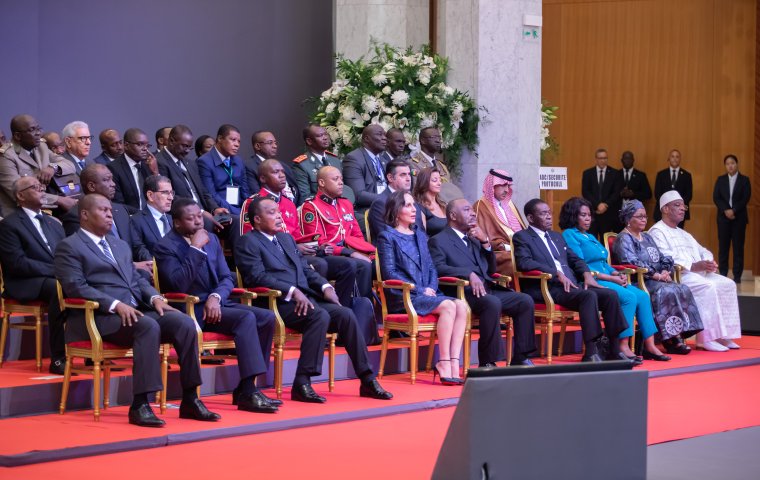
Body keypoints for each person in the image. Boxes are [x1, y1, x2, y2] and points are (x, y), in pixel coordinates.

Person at [54, 194, 220, 427]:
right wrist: (115, 304)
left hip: (136, 311)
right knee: (147, 326)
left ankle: (191, 399)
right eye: (103, 210)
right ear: (84, 215)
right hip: (101, 317)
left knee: (183, 322)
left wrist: (155, 298)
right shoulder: (69, 246)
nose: (110, 215)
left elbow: (136, 280)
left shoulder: (119, 245)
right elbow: (76, 286)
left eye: (110, 210)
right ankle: (141, 404)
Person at [235, 196, 393, 402]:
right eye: (272, 213)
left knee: (345, 314)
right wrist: (292, 291)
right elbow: (256, 277)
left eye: (279, 212)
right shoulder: (247, 241)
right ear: (257, 219)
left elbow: (306, 270)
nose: (279, 216)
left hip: (306, 298)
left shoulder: (285, 239)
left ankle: (367, 379)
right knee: (319, 316)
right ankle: (302, 382)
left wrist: (325, 286)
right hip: (278, 302)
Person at [154, 198, 280, 414]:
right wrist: (195, 248)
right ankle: (248, 392)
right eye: (191, 219)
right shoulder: (165, 246)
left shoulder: (211, 239)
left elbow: (226, 277)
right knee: (246, 318)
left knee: (266, 317)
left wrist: (216, 297)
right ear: (177, 223)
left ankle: (246, 387)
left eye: (199, 216)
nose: (198, 222)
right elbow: (177, 284)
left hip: (216, 304)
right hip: (191, 309)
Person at [513, 199, 630, 363]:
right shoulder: (522, 237)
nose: (549, 217)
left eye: (549, 213)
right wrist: (555, 273)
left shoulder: (556, 237)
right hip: (548, 287)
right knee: (588, 296)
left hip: (571, 286)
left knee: (610, 295)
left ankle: (614, 349)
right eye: (543, 214)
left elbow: (575, 260)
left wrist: (587, 274)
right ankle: (591, 351)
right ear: (531, 218)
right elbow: (524, 262)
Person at [429, 198, 537, 367]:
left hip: (486, 289)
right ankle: (488, 361)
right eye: (467, 210)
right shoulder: (439, 240)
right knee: (491, 303)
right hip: (462, 292)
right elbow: (438, 268)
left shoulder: (474, 238)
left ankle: (521, 356)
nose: (473, 213)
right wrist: (468, 274)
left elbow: (491, 270)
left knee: (524, 300)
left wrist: (485, 242)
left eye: (472, 210)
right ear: (453, 216)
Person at [560, 197, 669, 361]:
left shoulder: (589, 236)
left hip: (607, 277)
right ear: (573, 216)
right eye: (583, 215)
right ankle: (621, 345)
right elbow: (579, 264)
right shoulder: (570, 234)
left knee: (642, 296)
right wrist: (611, 279)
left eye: (589, 215)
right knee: (628, 297)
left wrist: (616, 274)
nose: (588, 218)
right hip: (592, 279)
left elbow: (604, 263)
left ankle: (650, 345)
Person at [377, 191, 469, 383]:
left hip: (426, 293)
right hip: (404, 296)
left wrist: (431, 288)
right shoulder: (387, 236)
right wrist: (419, 289)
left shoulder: (419, 235)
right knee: (449, 306)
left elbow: (431, 267)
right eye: (408, 205)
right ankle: (443, 361)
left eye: (414, 205)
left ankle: (454, 362)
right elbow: (389, 273)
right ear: (396, 210)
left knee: (462, 306)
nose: (414, 210)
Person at [649, 190, 742, 352]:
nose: (683, 208)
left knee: (727, 284)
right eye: (677, 205)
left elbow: (702, 250)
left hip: (697, 273)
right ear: (665, 209)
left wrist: (708, 262)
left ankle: (722, 335)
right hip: (678, 276)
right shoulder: (657, 231)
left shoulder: (683, 233)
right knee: (707, 286)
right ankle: (705, 339)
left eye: (683, 206)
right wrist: (693, 266)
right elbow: (665, 258)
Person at [611, 200, 704, 355]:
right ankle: (669, 339)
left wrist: (666, 270)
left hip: (657, 278)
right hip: (639, 280)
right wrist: (656, 275)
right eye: (639, 216)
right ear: (628, 219)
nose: (644, 219)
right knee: (665, 291)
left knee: (682, 288)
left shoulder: (647, 237)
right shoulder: (624, 238)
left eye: (645, 216)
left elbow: (662, 257)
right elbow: (631, 262)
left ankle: (676, 334)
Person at [0, 177, 67, 374]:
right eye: (35, 187)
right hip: (25, 281)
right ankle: (58, 359)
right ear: (20, 196)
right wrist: (55, 271)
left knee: (88, 284)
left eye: (41, 186)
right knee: (58, 288)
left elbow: (67, 254)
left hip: (55, 277)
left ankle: (90, 355)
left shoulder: (54, 223)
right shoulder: (9, 225)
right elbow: (17, 263)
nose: (41, 189)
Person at [62, 164, 153, 279]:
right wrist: (133, 266)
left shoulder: (120, 210)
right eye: (107, 180)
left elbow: (137, 246)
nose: (113, 184)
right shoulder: (76, 216)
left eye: (112, 179)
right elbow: (92, 258)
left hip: (132, 274)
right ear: (91, 186)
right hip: (104, 277)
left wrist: (150, 263)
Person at [299, 166, 374, 305]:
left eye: (341, 179)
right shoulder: (312, 206)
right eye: (335, 179)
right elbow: (319, 243)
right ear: (321, 183)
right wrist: (349, 253)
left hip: (349, 253)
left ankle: (365, 308)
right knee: (361, 265)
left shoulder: (346, 203)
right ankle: (349, 307)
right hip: (327, 255)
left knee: (376, 263)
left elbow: (357, 235)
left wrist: (362, 251)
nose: (341, 182)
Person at [253, 159, 330, 281]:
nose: (282, 175)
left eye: (283, 172)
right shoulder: (254, 203)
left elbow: (297, 235)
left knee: (338, 263)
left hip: (294, 254)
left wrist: (311, 246)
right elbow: (252, 241)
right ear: (263, 178)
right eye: (276, 172)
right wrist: (293, 248)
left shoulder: (289, 203)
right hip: (271, 258)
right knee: (319, 264)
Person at [0, 114, 78, 217]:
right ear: (18, 136)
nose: (38, 133)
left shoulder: (41, 146)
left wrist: (53, 168)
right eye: (32, 130)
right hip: (19, 215)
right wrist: (59, 200)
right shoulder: (6, 156)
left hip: (44, 210)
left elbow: (70, 165)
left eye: (38, 129)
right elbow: (20, 194)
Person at [156, 125, 229, 231]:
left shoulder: (190, 163)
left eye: (189, 147)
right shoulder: (159, 162)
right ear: (171, 141)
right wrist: (200, 212)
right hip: (185, 214)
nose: (187, 151)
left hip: (204, 211)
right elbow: (169, 196)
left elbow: (203, 191)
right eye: (184, 146)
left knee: (234, 221)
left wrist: (215, 208)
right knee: (208, 224)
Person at [472, 169, 525, 276]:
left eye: (508, 186)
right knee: (518, 261)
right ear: (492, 186)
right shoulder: (480, 206)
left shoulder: (510, 205)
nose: (506, 190)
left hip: (517, 250)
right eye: (503, 185)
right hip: (498, 255)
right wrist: (506, 246)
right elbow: (478, 238)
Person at [712, 154, 751, 283]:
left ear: (737, 164)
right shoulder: (720, 180)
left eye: (732, 163)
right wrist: (726, 210)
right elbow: (716, 197)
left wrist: (733, 210)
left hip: (739, 218)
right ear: (725, 166)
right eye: (728, 164)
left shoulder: (744, 180)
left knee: (738, 248)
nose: (730, 166)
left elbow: (745, 198)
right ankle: (723, 273)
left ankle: (737, 276)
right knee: (723, 247)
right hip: (723, 219)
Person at [367, 158, 425, 243]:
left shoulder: (411, 201)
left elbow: (421, 232)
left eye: (409, 174)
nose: (408, 179)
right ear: (390, 178)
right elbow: (387, 238)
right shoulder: (380, 203)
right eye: (403, 175)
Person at [197, 124, 250, 215]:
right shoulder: (204, 162)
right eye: (233, 139)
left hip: (241, 209)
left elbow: (245, 190)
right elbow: (211, 195)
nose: (237, 144)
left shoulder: (239, 161)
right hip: (221, 210)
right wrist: (239, 213)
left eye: (239, 141)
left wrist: (249, 208)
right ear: (220, 139)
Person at [292, 124, 347, 203]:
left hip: (339, 205)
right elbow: (305, 197)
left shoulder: (335, 160)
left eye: (325, 134)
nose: (325, 138)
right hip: (317, 207)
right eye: (320, 135)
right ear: (309, 141)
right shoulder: (302, 165)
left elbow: (343, 189)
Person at [408, 127, 463, 203]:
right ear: (423, 140)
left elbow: (450, 189)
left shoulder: (441, 166)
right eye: (434, 137)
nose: (438, 140)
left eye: (439, 137)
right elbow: (417, 191)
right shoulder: (413, 164)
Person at [343, 124, 388, 214]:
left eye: (384, 135)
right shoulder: (354, 158)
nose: (384, 138)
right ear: (367, 138)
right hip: (367, 211)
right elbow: (358, 195)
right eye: (379, 134)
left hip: (386, 208)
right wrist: (388, 199)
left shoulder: (383, 160)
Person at [108, 128, 156, 214]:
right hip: (130, 216)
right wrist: (142, 215)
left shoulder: (149, 165)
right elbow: (118, 204)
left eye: (147, 145)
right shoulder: (114, 168)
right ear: (126, 145)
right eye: (140, 144)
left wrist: (155, 172)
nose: (145, 149)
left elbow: (159, 195)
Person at [245, 131, 299, 205]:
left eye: (275, 143)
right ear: (258, 146)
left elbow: (296, 189)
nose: (275, 146)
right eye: (270, 143)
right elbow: (256, 194)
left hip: (292, 207)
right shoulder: (250, 166)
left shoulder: (284, 166)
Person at [581, 148, 622, 240]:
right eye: (600, 158)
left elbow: (616, 193)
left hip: (608, 214)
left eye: (605, 158)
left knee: (606, 241)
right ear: (596, 159)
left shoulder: (615, 173)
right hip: (592, 213)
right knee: (592, 240)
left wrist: (606, 205)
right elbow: (585, 192)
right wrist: (598, 205)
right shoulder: (588, 173)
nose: (603, 160)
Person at [130, 175, 174, 256]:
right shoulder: (136, 221)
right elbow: (139, 250)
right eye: (165, 193)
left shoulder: (173, 219)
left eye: (171, 193)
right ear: (150, 195)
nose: (171, 198)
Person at [653, 149, 692, 226]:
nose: (674, 159)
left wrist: (676, 205)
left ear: (680, 159)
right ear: (669, 158)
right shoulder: (661, 174)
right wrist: (668, 206)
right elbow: (657, 194)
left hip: (679, 213)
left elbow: (688, 195)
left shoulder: (686, 175)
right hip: (663, 211)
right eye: (672, 156)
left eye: (677, 157)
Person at [413, 167, 447, 237]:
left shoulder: (443, 204)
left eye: (440, 180)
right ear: (424, 182)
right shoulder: (419, 207)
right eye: (435, 180)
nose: (439, 183)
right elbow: (422, 236)